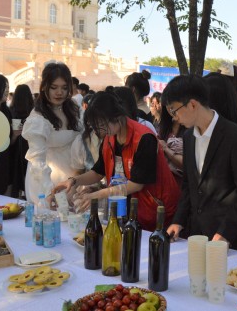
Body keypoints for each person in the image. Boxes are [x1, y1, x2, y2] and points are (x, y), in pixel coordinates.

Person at [52, 92, 180, 231]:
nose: (100, 131)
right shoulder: (110, 137)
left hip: (156, 209)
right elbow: (98, 172)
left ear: (117, 116)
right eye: (95, 127)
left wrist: (96, 195)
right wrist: (73, 181)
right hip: (131, 209)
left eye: (101, 125)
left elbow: (136, 185)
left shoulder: (144, 138)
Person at [163, 74, 237, 253]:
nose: (174, 118)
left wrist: (225, 233)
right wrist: (178, 220)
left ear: (192, 104)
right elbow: (189, 185)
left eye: (174, 111)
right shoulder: (188, 137)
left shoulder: (236, 136)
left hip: (231, 239)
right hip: (198, 235)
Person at [22, 62, 83, 204]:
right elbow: (37, 160)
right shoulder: (38, 118)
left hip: (75, 175)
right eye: (54, 87)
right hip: (46, 177)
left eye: (64, 88)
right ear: (44, 87)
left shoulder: (74, 108)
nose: (59, 92)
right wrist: (49, 190)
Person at [9, 84, 34, 198]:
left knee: (16, 173)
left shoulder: (11, 111)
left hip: (16, 148)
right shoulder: (33, 111)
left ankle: (18, 193)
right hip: (30, 145)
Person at [157, 104, 185, 186]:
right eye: (168, 104)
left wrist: (166, 148)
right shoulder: (165, 125)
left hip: (182, 183)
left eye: (173, 103)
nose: (171, 109)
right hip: (165, 181)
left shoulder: (190, 126)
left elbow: (187, 163)